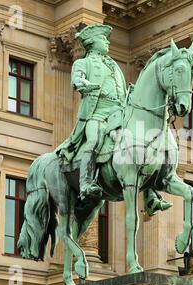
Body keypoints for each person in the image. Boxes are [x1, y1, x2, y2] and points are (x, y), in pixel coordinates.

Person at [56, 24, 172, 213]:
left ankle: (150, 194)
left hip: (118, 112)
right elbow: (76, 80)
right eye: (104, 39)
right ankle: (85, 183)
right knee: (94, 140)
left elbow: (121, 91)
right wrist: (85, 84)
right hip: (96, 113)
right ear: (93, 43)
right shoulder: (83, 63)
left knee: (142, 143)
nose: (107, 42)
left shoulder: (113, 65)